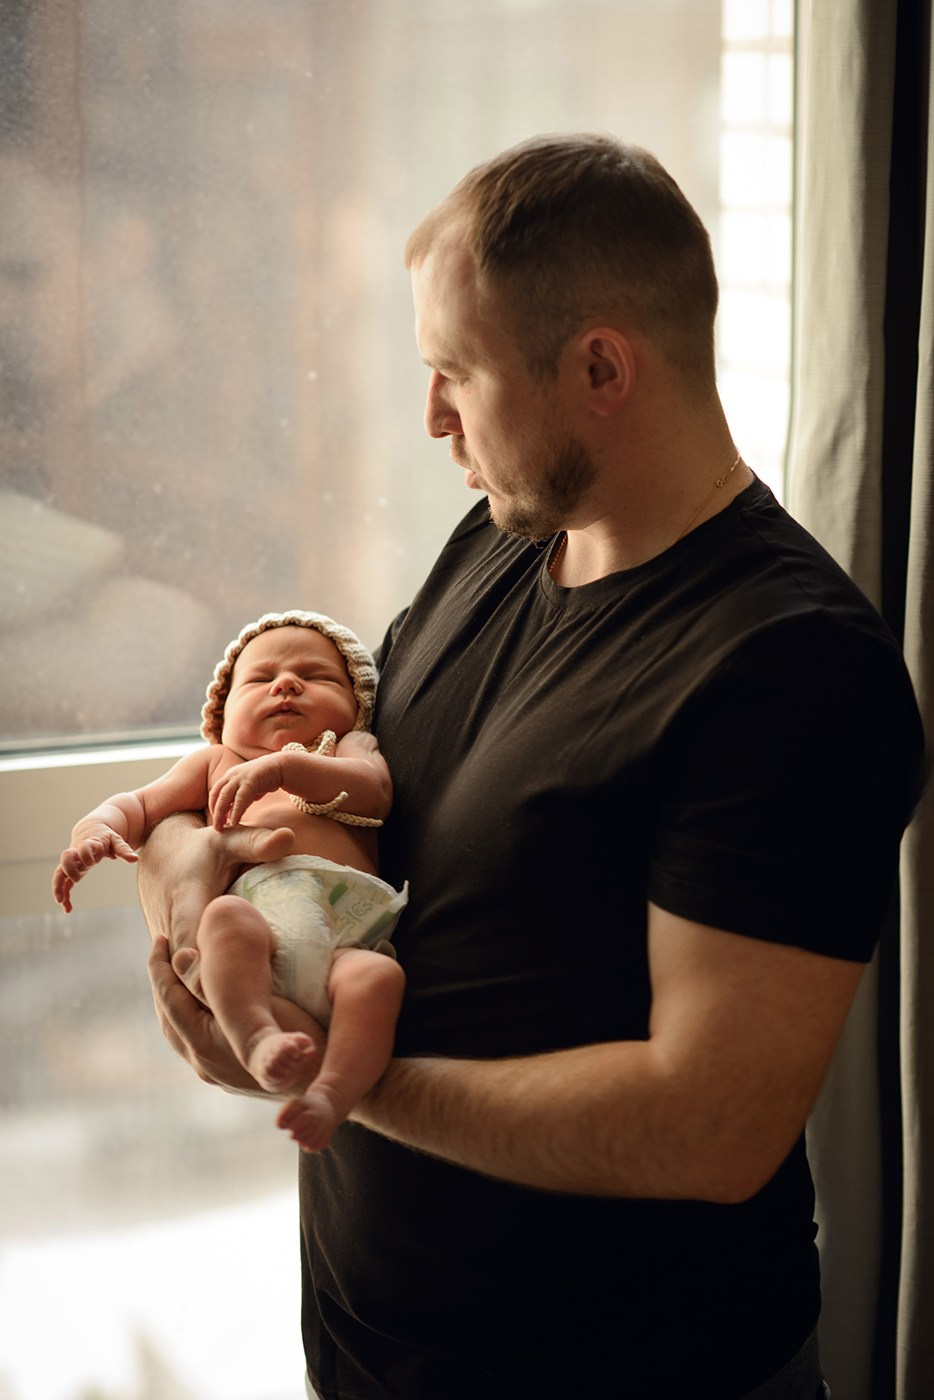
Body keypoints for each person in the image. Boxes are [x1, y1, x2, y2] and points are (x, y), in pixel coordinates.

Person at [139, 136, 925, 1399]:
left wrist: (344, 1079)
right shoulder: (506, 537)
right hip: (371, 1348)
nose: (434, 416)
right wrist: (182, 891)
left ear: (600, 366)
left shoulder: (789, 670)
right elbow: (312, 783)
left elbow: (712, 1124)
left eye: (454, 372)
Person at [54, 610, 407, 1151]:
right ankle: (259, 1036)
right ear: (222, 713)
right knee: (224, 920)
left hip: (348, 927)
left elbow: (374, 790)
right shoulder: (215, 761)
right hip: (261, 932)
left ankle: (332, 1094)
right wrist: (96, 829)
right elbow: (139, 805)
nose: (286, 684)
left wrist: (287, 771)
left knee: (378, 980)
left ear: (356, 703)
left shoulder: (346, 750)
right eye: (261, 680)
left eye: (316, 677)